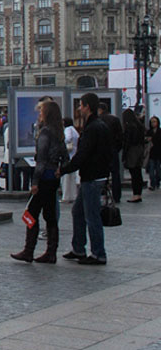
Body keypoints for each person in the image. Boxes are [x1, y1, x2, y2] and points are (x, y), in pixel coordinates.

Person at [11, 100, 67, 264]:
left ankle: (29, 250)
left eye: (41, 111)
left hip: (43, 178)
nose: (39, 114)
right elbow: (65, 156)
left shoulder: (45, 132)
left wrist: (34, 182)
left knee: (31, 213)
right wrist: (60, 169)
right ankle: (51, 252)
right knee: (50, 215)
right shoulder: (58, 132)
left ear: (46, 114)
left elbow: (41, 159)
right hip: (53, 178)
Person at [58, 93, 111, 265]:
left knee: (92, 215)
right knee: (78, 212)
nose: (79, 108)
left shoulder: (92, 128)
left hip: (91, 177)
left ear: (87, 106)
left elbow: (83, 155)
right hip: (96, 175)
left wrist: (64, 170)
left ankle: (98, 253)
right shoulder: (100, 125)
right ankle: (78, 248)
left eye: (81, 105)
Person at [98, 102, 123, 203]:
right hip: (113, 150)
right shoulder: (115, 119)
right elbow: (120, 136)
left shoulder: (98, 120)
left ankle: (103, 194)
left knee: (102, 174)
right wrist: (116, 148)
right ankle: (117, 195)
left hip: (101, 151)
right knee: (115, 174)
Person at [123, 108, 146, 203]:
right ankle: (138, 194)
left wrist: (124, 153)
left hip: (132, 151)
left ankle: (135, 194)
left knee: (134, 173)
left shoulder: (130, 126)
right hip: (139, 150)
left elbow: (128, 141)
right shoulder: (139, 125)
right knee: (138, 172)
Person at [61, 117, 80, 203]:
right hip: (74, 154)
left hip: (69, 155)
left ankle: (66, 196)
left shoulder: (68, 129)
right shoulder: (74, 130)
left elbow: (68, 139)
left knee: (66, 179)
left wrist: (61, 140)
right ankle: (73, 195)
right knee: (72, 178)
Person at [146, 116, 161, 191]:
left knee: (158, 170)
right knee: (151, 170)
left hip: (158, 153)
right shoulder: (149, 132)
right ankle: (153, 184)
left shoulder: (160, 131)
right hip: (151, 153)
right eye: (152, 122)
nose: (153, 123)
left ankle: (157, 182)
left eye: (154, 121)